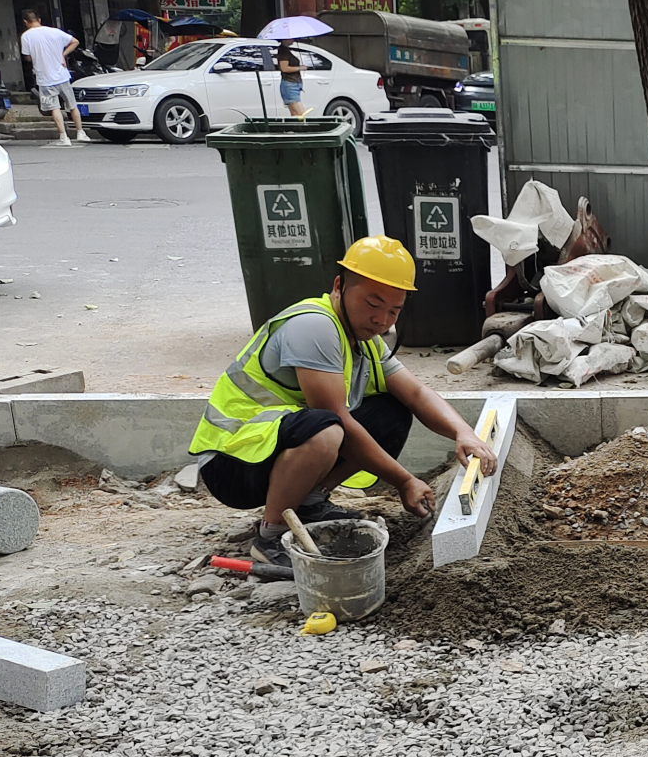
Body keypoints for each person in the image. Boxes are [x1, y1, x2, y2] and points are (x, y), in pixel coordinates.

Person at [190, 236, 498, 567]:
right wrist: (404, 481)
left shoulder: (364, 340)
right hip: (232, 462)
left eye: (394, 310)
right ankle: (271, 535)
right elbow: (335, 418)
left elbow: (416, 394)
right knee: (328, 429)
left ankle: (308, 503)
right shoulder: (314, 326)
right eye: (372, 303)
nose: (382, 320)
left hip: (267, 450)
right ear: (340, 286)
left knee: (391, 412)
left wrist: (463, 433)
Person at [18, 10, 87, 146]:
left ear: (26, 22)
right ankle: (80, 132)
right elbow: (75, 41)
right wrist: (63, 54)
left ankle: (64, 138)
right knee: (72, 105)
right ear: (39, 19)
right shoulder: (55, 32)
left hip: (45, 79)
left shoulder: (26, 36)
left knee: (54, 108)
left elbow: (28, 56)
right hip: (62, 75)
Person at [277, 42, 309, 119]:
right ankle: (302, 130)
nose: (293, 39)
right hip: (290, 84)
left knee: (295, 115)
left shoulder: (285, 50)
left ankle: (295, 130)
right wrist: (300, 68)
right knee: (301, 114)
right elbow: (284, 68)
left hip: (293, 84)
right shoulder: (283, 52)